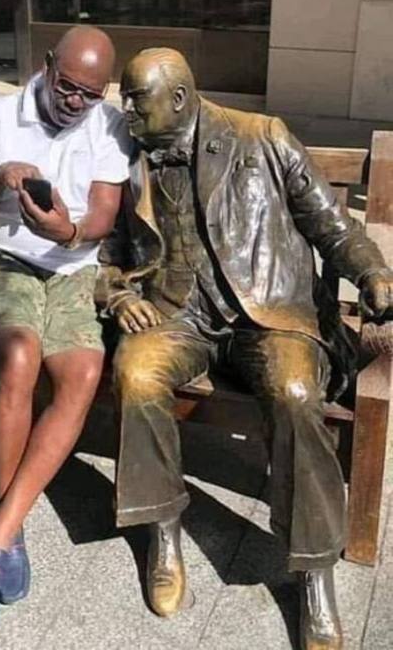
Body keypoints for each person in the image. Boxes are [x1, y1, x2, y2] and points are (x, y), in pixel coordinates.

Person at [102, 47, 393, 650]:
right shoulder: (129, 156)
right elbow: (110, 257)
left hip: (269, 315)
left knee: (292, 393)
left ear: (178, 99)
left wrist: (372, 273)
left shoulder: (262, 136)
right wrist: (114, 294)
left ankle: (313, 572)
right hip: (178, 313)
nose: (124, 108)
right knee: (134, 371)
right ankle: (163, 530)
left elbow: (332, 226)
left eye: (136, 97)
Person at [0, 25, 131, 632]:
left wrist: (70, 234)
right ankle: (13, 530)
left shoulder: (108, 127)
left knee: (82, 371)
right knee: (20, 356)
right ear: (46, 65)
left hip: (72, 269)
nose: (76, 102)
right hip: (2, 259)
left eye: (91, 94)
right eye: (68, 87)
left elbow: (102, 213)